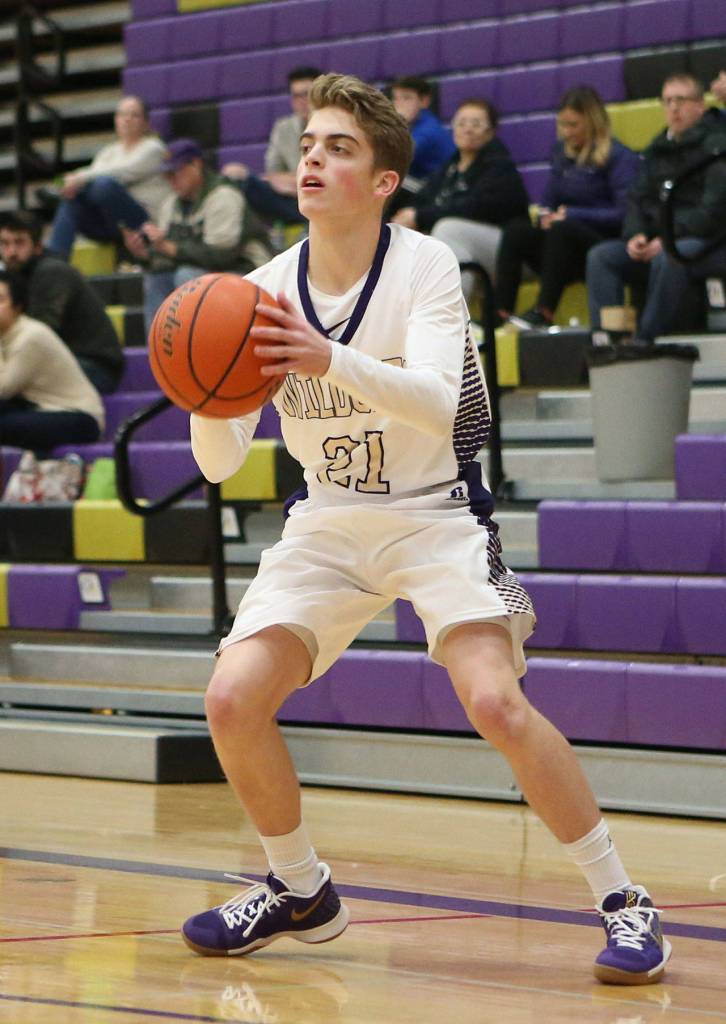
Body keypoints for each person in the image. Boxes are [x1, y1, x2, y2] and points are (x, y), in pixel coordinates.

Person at [181, 73, 670, 987]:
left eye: (341, 148)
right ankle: (300, 891)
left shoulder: (425, 264)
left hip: (435, 513)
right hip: (327, 521)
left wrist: (328, 357)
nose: (315, 158)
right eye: (310, 144)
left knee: (494, 702)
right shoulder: (254, 289)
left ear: (383, 182)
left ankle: (624, 900)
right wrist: (206, 393)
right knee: (230, 698)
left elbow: (443, 405)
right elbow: (216, 465)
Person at [587, 73, 726, 344]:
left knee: (671, 256)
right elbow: (637, 199)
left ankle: (646, 341)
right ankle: (608, 340)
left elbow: (713, 211)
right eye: (668, 101)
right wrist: (636, 234)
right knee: (602, 257)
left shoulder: (717, 146)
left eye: (681, 100)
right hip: (660, 241)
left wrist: (666, 239)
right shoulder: (656, 149)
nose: (674, 107)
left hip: (708, 243)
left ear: (699, 104)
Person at [494, 87, 640, 330]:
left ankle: (544, 310)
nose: (566, 132)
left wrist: (572, 215)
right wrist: (544, 214)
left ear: (592, 122)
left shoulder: (619, 156)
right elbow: (550, 197)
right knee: (516, 231)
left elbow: (625, 213)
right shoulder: (561, 153)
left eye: (573, 125)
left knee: (563, 228)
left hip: (599, 245)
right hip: (561, 248)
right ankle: (499, 313)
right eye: (562, 125)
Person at [122, 138, 270, 332]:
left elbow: (222, 255)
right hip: (208, 275)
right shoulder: (171, 204)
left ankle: (201, 346)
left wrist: (170, 248)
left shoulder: (223, 196)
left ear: (196, 165)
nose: (171, 179)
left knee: (189, 277)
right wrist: (146, 255)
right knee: (157, 278)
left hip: (249, 272)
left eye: (176, 171)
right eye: (167, 174)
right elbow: (170, 258)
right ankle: (160, 351)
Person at [391, 98, 529, 300]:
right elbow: (422, 199)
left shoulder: (500, 167)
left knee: (449, 229)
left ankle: (452, 315)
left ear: (491, 132)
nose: (468, 129)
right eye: (462, 123)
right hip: (466, 250)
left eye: (476, 124)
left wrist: (420, 216)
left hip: (511, 253)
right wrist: (406, 217)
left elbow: (474, 207)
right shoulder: (450, 168)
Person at [0, 210, 124, 394]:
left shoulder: (51, 272)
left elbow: (41, 333)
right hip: (64, 360)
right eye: (4, 243)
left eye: (19, 242)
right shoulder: (14, 277)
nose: (11, 252)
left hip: (95, 365)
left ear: (38, 247)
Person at [44, 95, 173, 260]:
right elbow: (91, 173)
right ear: (115, 120)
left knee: (103, 185)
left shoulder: (154, 148)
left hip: (145, 224)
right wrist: (65, 182)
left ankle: (59, 189)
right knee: (72, 201)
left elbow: (120, 173)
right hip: (114, 225)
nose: (127, 119)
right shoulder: (108, 152)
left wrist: (77, 180)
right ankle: (55, 262)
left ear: (146, 123)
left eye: (134, 115)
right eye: (122, 114)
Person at [0, 269, 104, 450]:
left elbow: (3, 389)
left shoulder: (30, 336)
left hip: (79, 418)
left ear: (17, 305)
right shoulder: (7, 337)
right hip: (41, 410)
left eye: (0, 300)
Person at [222, 66, 323, 230]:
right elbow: (273, 175)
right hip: (292, 200)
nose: (302, 101)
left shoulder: (335, 126)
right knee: (235, 173)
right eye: (296, 96)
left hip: (325, 196)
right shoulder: (283, 127)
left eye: (307, 94)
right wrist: (293, 181)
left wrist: (293, 180)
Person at [389, 75, 456, 212]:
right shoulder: (413, 125)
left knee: (386, 179)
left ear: (424, 101)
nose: (399, 104)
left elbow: (396, 156)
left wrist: (395, 122)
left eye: (407, 98)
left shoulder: (429, 129)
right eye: (396, 98)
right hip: (422, 184)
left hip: (439, 191)